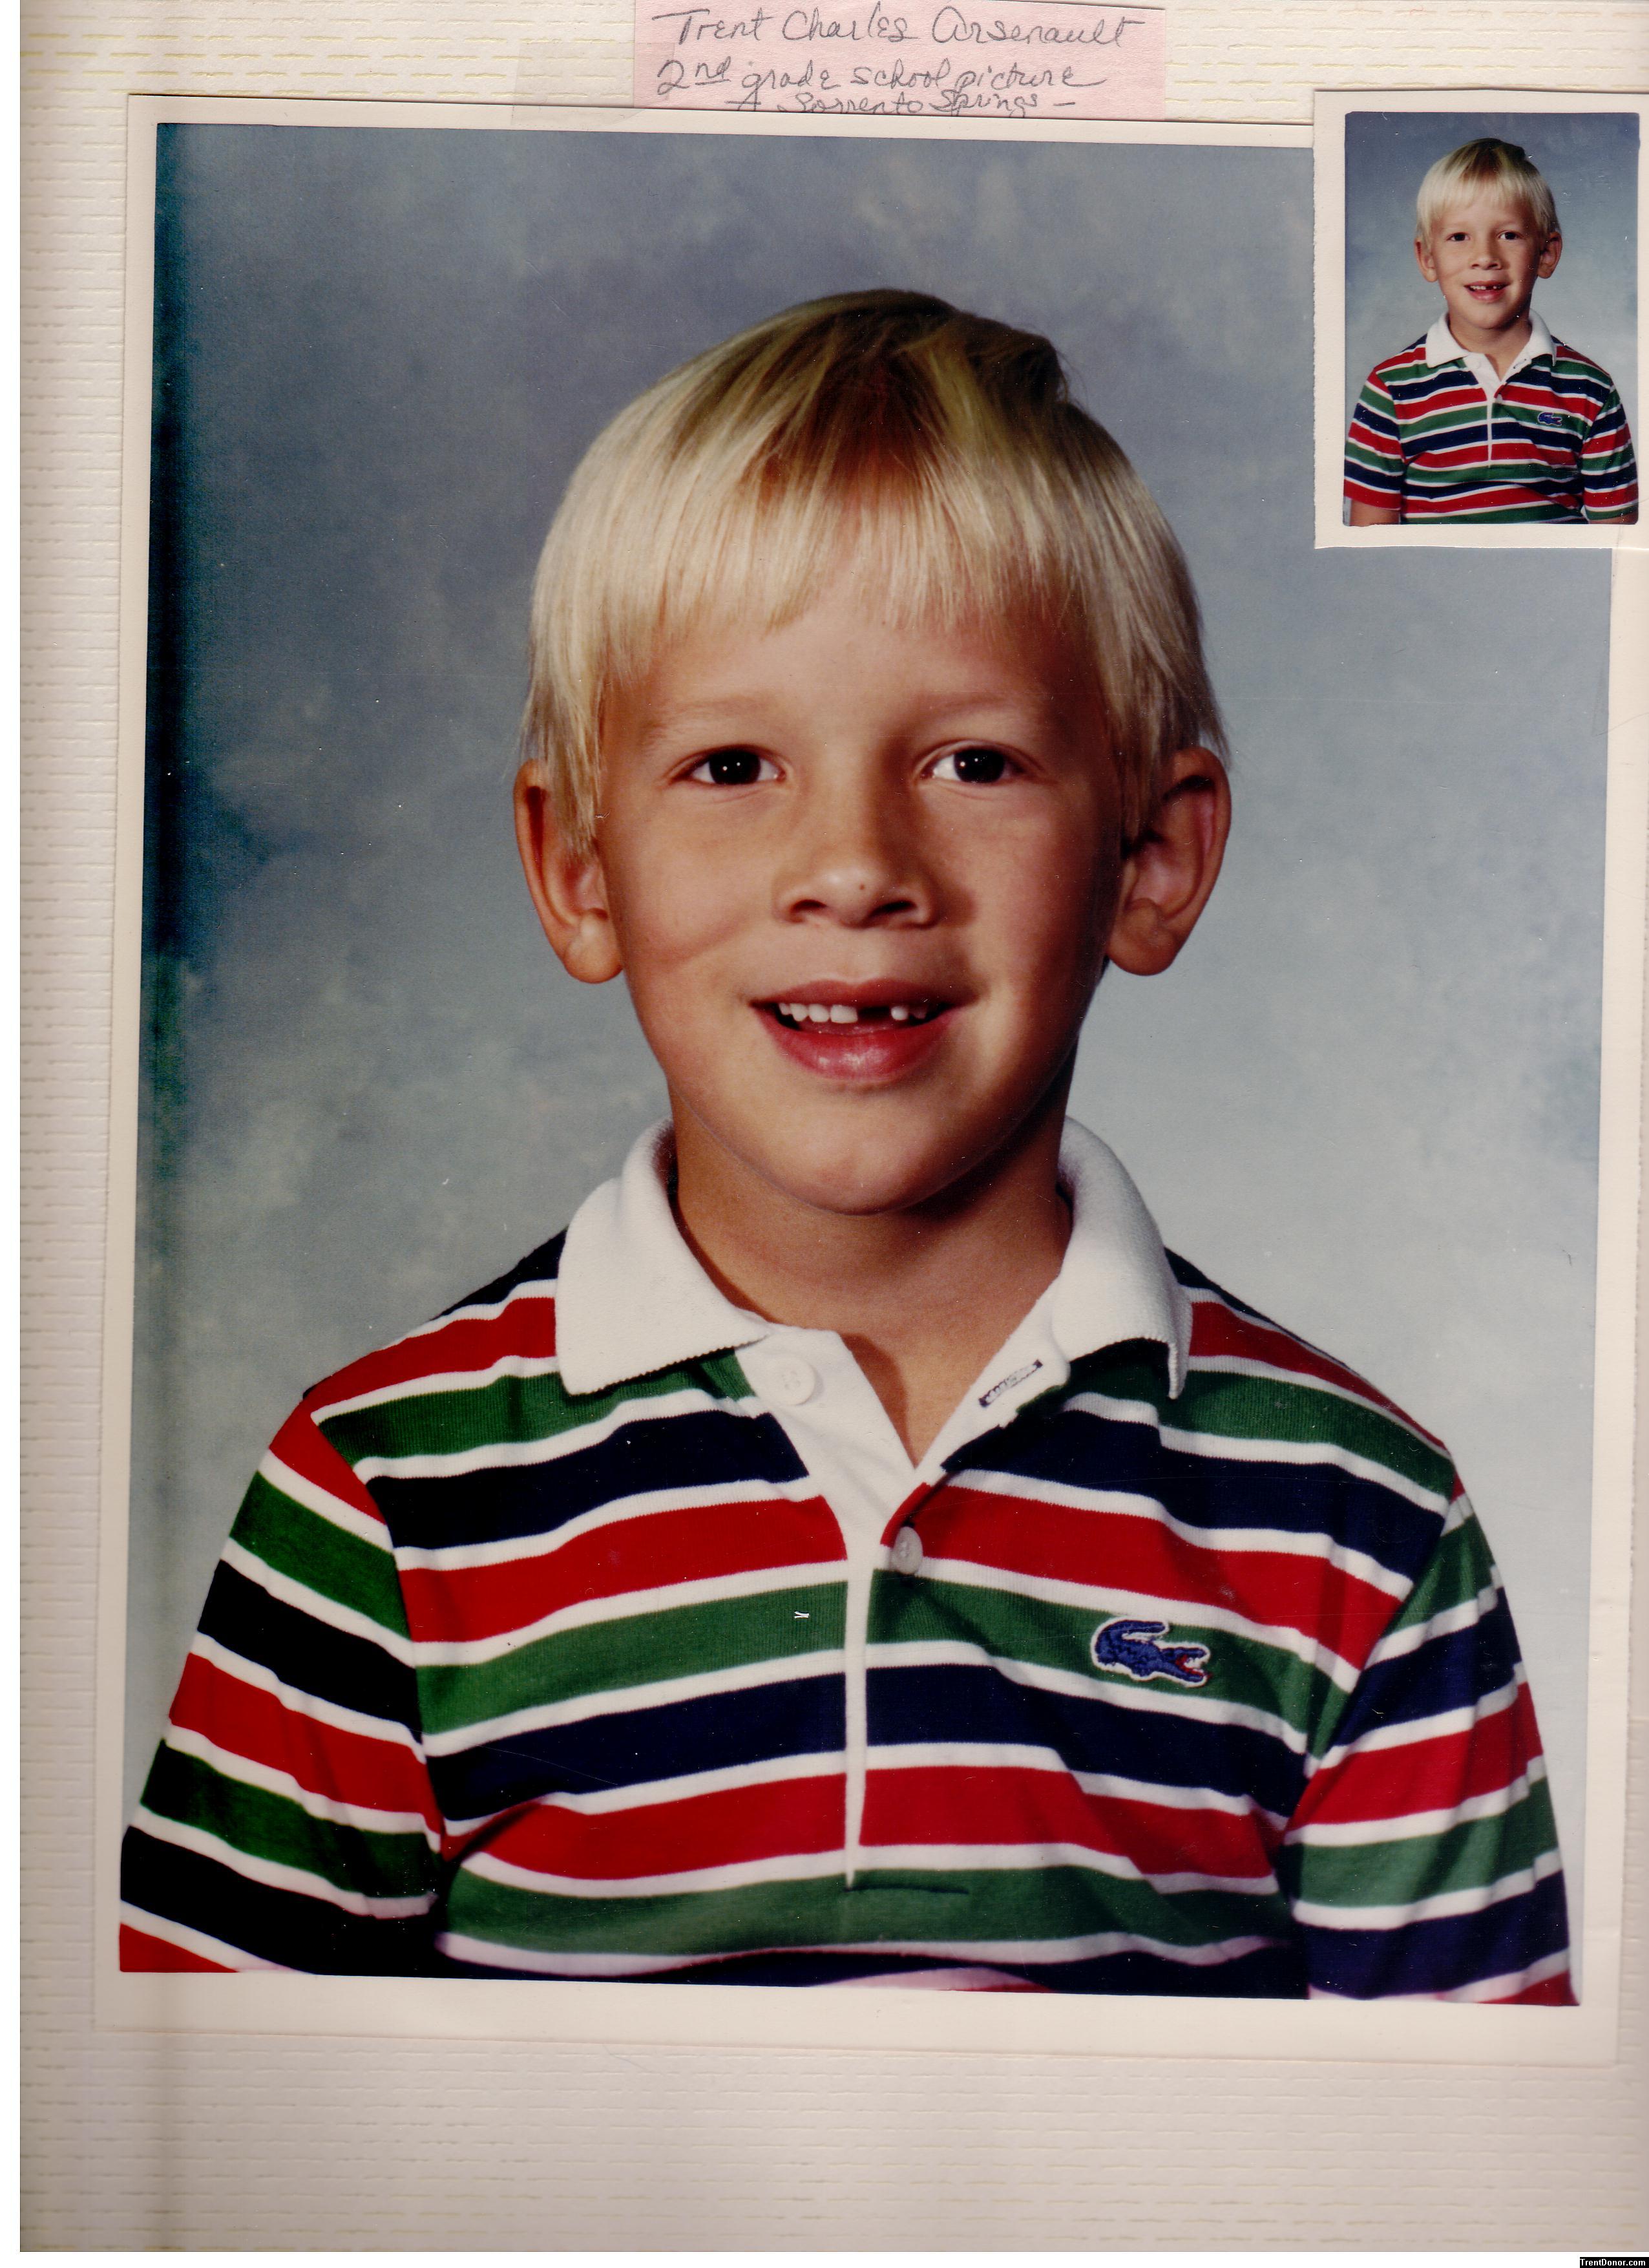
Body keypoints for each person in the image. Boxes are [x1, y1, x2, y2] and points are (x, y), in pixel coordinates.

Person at [121, 290, 1573, 1998]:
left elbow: (1447, 2150)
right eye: (734, 762)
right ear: (580, 868)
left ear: (1152, 859)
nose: (856, 865)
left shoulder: (1359, 1521)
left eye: (974, 760)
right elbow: (198, 2128)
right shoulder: (381, 1499)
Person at [1344, 136, 1637, 525]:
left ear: (1546, 254)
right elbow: (1369, 542)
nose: (1484, 257)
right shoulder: (1390, 389)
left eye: (1508, 235)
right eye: (1459, 237)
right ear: (1428, 258)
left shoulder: (1590, 389)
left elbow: (1616, 539)